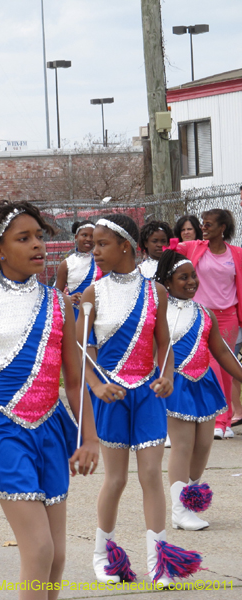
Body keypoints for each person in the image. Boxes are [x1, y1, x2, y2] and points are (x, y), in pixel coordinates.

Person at [0, 201, 100, 595]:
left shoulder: (58, 303)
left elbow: (74, 382)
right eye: (24, 238)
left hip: (50, 430)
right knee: (38, 549)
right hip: (2, 429)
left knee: (57, 556)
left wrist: (89, 438)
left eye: (39, 236)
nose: (38, 244)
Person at [77, 214, 202, 588]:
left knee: (150, 476)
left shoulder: (156, 292)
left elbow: (164, 344)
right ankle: (103, 555)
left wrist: (167, 376)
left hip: (147, 394)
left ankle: (159, 561)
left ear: (125, 247)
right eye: (93, 243)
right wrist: (97, 386)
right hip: (111, 395)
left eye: (102, 244)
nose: (95, 250)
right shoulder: (93, 294)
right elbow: (84, 350)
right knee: (115, 480)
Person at [156, 248, 242, 532]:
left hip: (203, 383)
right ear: (167, 282)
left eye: (193, 275)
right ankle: (179, 510)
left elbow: (223, 352)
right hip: (176, 384)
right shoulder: (158, 312)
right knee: (182, 446)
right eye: (183, 277)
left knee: (203, 446)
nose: (191, 281)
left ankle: (190, 500)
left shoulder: (205, 314)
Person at [177, 209, 242, 439]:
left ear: (222, 228)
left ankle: (224, 421)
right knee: (211, 364)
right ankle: (217, 419)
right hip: (201, 315)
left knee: (225, 367)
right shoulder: (194, 248)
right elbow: (170, 249)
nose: (203, 228)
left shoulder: (236, 254)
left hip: (228, 317)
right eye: (202, 224)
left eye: (208, 224)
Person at [54, 220, 100, 319]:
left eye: (92, 236)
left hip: (97, 313)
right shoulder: (66, 264)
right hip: (75, 315)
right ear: (76, 237)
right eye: (84, 235)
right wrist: (68, 298)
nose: (88, 239)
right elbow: (56, 295)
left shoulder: (100, 261)